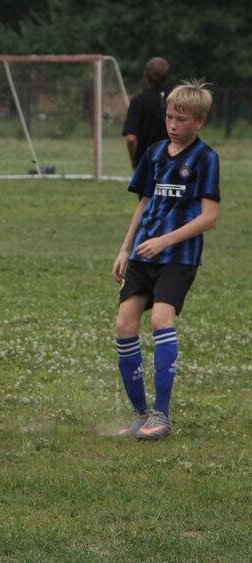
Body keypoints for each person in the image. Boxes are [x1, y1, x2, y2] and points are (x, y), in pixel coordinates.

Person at [112, 80, 219, 440]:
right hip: (144, 253)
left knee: (160, 318)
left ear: (199, 121)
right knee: (125, 324)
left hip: (179, 256)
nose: (173, 124)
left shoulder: (206, 159)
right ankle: (141, 414)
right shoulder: (155, 152)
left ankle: (163, 413)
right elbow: (143, 203)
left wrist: (164, 241)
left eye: (182, 119)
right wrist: (125, 248)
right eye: (170, 117)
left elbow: (209, 217)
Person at [123, 57, 171, 169]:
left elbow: (131, 138)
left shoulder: (138, 101)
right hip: (173, 161)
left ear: (145, 74)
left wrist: (133, 160)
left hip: (146, 163)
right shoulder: (177, 98)